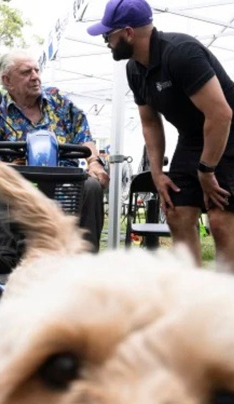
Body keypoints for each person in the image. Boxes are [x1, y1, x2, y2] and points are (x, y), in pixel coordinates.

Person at [87, 0, 234, 271]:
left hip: (227, 133)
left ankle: (226, 300)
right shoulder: (134, 69)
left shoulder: (181, 53)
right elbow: (150, 123)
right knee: (176, 211)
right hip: (192, 137)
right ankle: (190, 294)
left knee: (220, 220)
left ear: (128, 33)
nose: (106, 41)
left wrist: (206, 169)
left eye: (108, 35)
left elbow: (222, 115)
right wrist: (156, 172)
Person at [0, 49, 109, 274]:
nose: (35, 76)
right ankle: (4, 258)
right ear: (7, 80)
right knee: (0, 182)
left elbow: (84, 136)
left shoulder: (59, 102)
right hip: (21, 190)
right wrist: (1, 168)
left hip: (65, 187)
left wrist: (94, 162)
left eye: (36, 70)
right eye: (26, 72)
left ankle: (86, 259)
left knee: (92, 186)